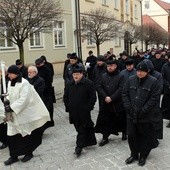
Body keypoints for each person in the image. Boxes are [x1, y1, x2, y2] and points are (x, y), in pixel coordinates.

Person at [1, 65, 50, 166]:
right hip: (12, 115)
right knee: (11, 136)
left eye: (10, 73)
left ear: (15, 73)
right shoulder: (9, 82)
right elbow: (9, 95)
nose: (8, 75)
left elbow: (25, 99)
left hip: (22, 113)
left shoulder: (24, 83)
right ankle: (13, 156)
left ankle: (28, 153)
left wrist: (12, 107)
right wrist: (6, 102)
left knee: (26, 135)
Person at [122, 61, 160, 166]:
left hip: (145, 116)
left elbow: (154, 99)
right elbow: (124, 94)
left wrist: (143, 111)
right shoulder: (130, 80)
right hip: (131, 115)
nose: (139, 73)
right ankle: (134, 154)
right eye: (138, 71)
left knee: (144, 136)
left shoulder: (154, 82)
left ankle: (143, 155)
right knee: (132, 136)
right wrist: (128, 108)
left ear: (147, 71)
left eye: (142, 71)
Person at [63, 65, 97, 158]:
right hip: (73, 111)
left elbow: (93, 97)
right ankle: (90, 140)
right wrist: (68, 106)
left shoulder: (88, 83)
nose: (75, 76)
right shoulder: (69, 84)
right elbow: (65, 96)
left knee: (81, 130)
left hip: (84, 111)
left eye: (77, 74)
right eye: (74, 74)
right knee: (83, 127)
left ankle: (79, 147)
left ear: (82, 74)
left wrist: (88, 108)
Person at [95, 59, 126, 147]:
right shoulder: (104, 76)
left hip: (117, 103)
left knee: (121, 119)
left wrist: (112, 98)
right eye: (108, 66)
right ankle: (105, 137)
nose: (109, 68)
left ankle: (124, 132)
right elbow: (99, 86)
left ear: (115, 66)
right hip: (106, 103)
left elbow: (121, 88)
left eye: (111, 66)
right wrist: (105, 97)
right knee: (105, 120)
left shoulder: (121, 76)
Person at [143, 59, 163, 139]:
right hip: (144, 100)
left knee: (156, 119)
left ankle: (156, 135)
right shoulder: (142, 74)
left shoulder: (158, 75)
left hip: (154, 100)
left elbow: (160, 87)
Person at [35, 58, 54, 128]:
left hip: (46, 91)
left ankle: (49, 121)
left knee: (48, 107)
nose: (37, 66)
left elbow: (49, 80)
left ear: (42, 63)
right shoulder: (36, 70)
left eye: (38, 64)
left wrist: (44, 88)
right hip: (40, 92)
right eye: (36, 64)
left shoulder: (47, 69)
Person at [161, 53, 170, 127]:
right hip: (167, 89)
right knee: (167, 105)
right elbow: (162, 77)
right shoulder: (165, 66)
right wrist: (168, 85)